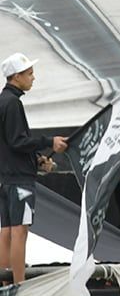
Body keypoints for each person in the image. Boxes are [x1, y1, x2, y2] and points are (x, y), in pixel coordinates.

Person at [0, 53, 68, 283]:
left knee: (7, 231)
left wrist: (37, 159)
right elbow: (17, 141)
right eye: (29, 74)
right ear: (16, 76)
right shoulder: (13, 103)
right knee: (20, 231)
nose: (33, 78)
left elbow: (9, 144)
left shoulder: (2, 101)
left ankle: (5, 285)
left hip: (6, 178)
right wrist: (49, 142)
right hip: (20, 180)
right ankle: (19, 286)